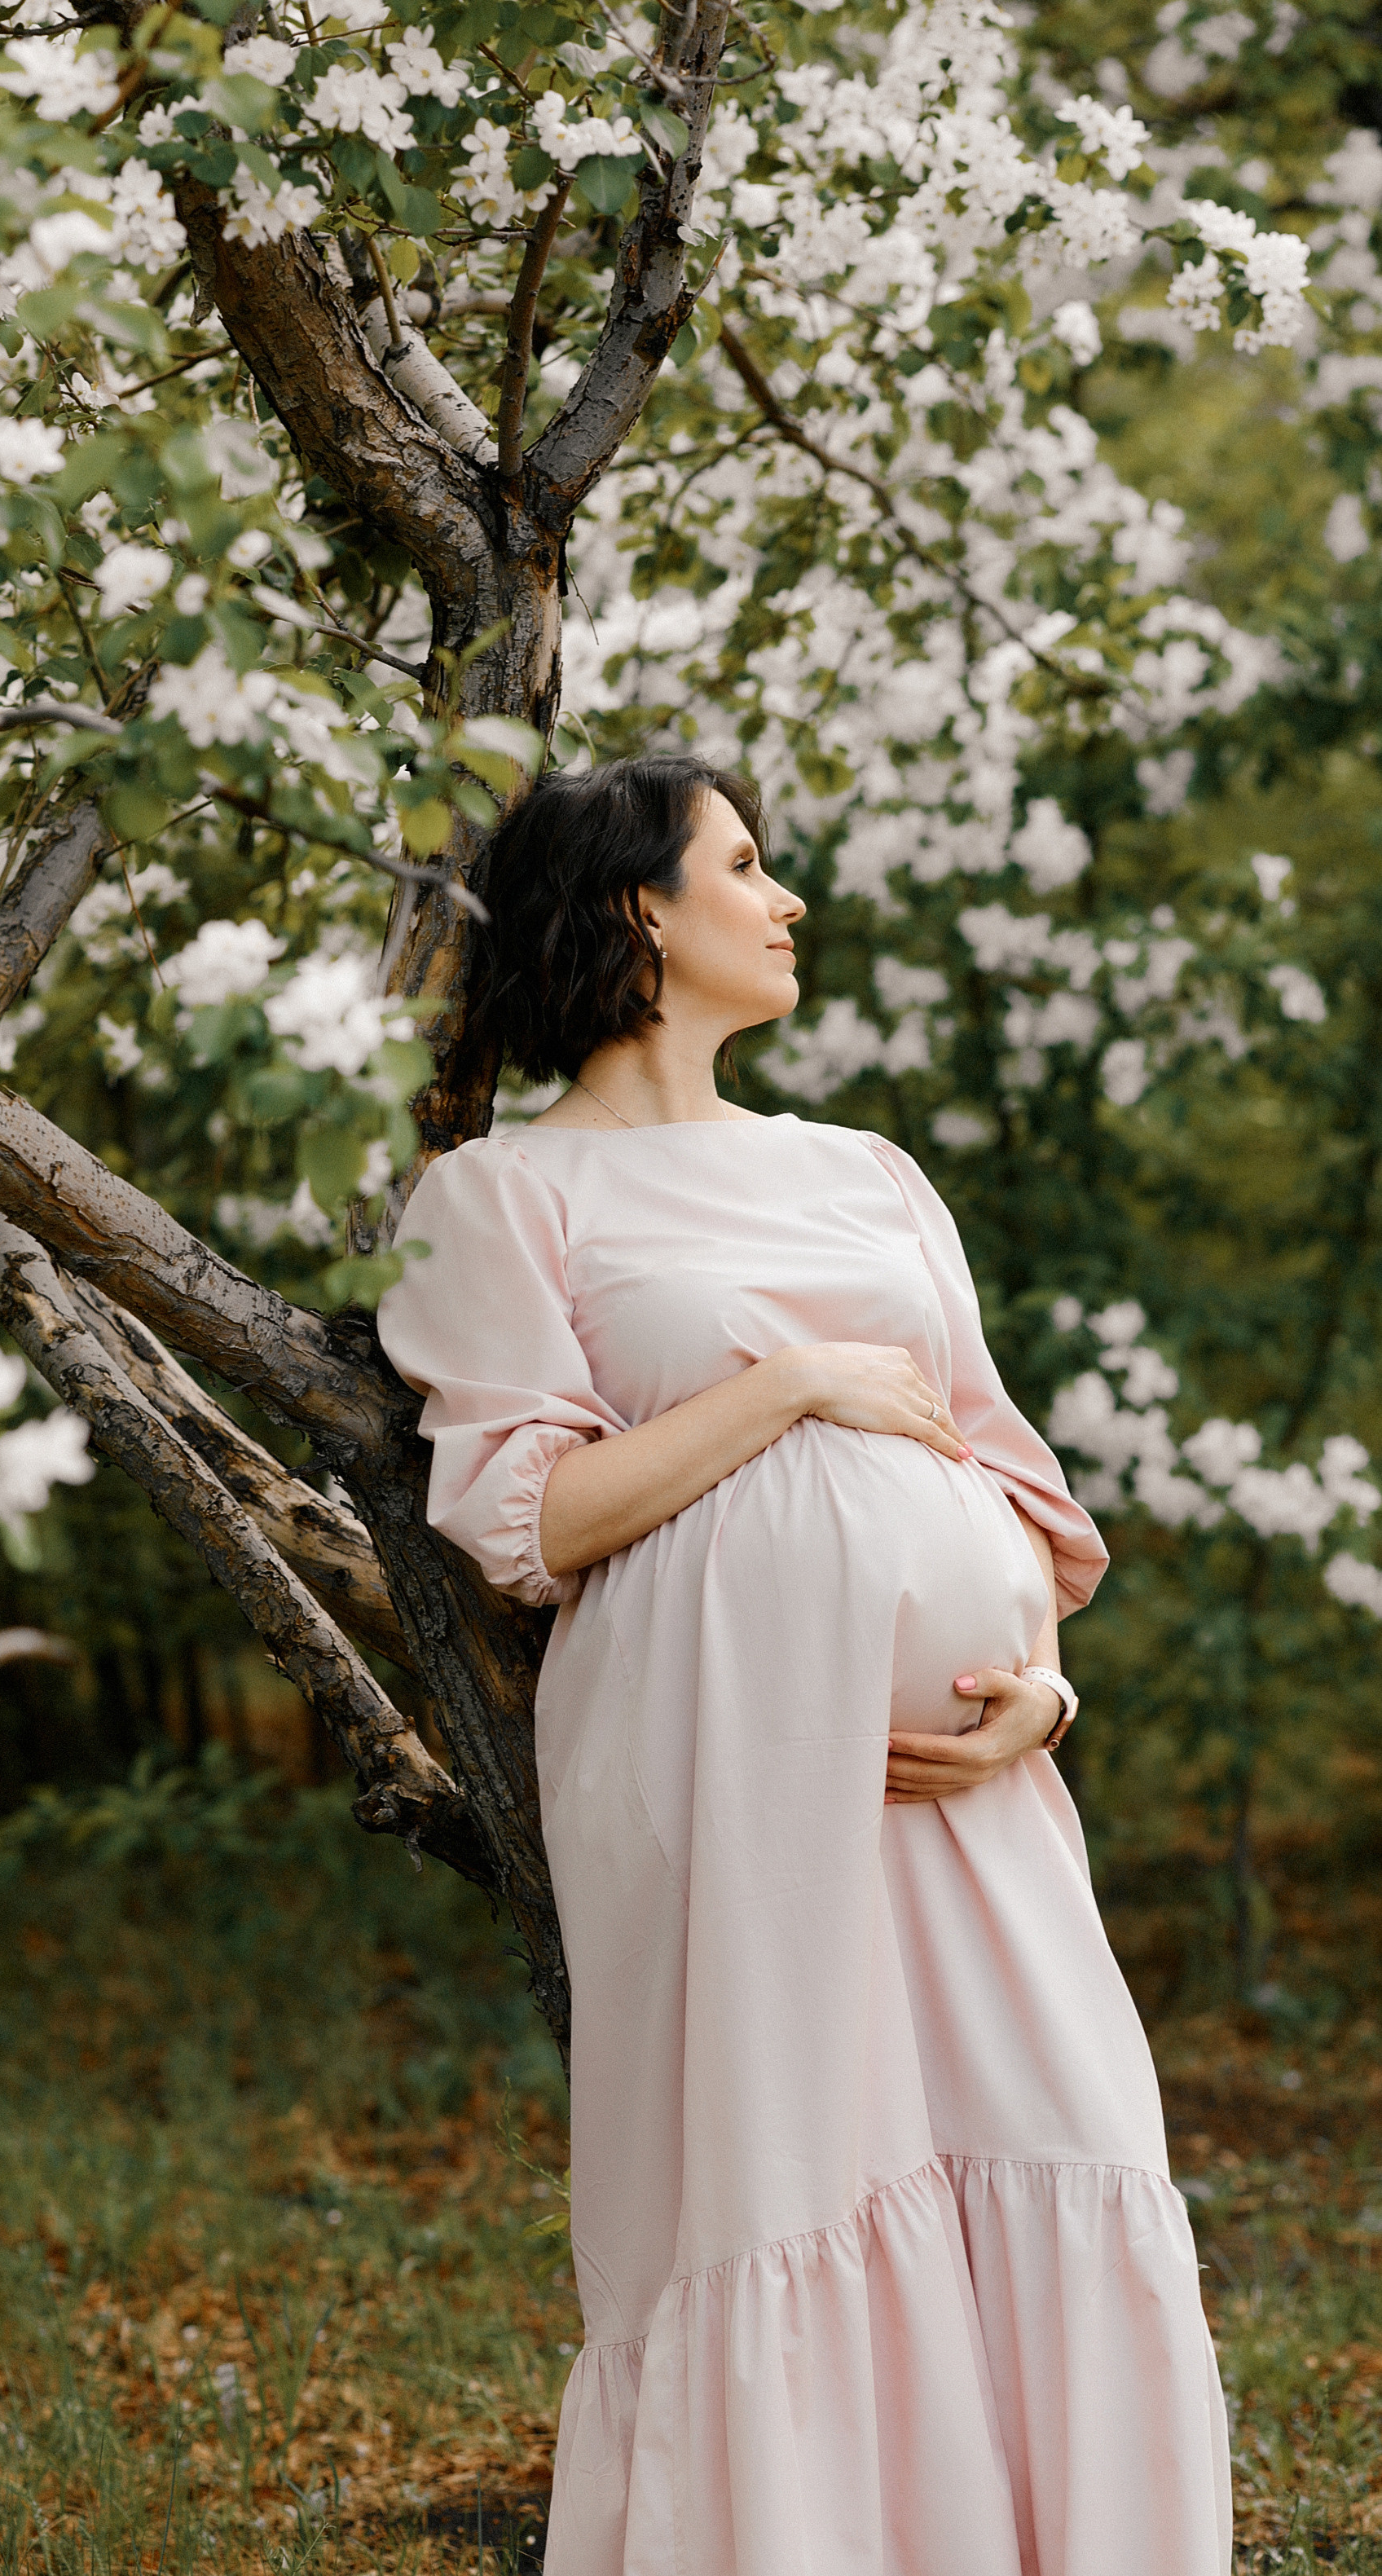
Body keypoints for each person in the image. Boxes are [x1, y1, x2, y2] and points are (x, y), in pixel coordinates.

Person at [375, 756, 1231, 2576]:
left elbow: (1009, 1485)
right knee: (791, 2192)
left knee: (1066, 2135)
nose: (788, 902)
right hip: (730, 1771)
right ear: (640, 908)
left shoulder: (869, 1175)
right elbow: (529, 1519)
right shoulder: (503, 1197)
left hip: (963, 1790)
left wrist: (1042, 1694)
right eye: (748, 866)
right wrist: (789, 1385)